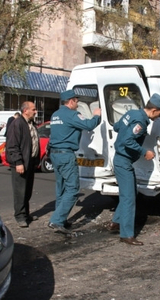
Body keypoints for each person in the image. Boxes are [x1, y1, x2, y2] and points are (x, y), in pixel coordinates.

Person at [106, 93, 160, 246]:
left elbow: (116, 127)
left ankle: (116, 222)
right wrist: (144, 152)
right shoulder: (140, 120)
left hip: (121, 159)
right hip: (123, 161)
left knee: (131, 193)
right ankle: (127, 235)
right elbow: (128, 140)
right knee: (129, 199)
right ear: (154, 110)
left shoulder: (132, 113)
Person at [48, 89, 101, 234]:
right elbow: (89, 125)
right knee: (73, 189)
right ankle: (57, 220)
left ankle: (61, 219)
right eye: (76, 101)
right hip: (66, 155)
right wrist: (96, 116)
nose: (77, 104)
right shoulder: (72, 114)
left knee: (62, 188)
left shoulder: (55, 115)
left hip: (55, 155)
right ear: (71, 101)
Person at [5, 101, 40, 228]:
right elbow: (12, 146)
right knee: (20, 191)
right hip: (21, 164)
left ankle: (26, 213)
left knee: (28, 190)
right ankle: (20, 216)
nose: (35, 112)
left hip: (30, 162)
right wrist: (18, 162)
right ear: (25, 110)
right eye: (33, 109)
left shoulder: (30, 123)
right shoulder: (17, 124)